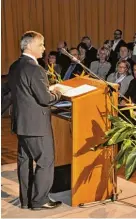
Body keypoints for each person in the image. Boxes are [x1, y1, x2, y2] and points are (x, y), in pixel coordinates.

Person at [7, 31, 63, 210]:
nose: (44, 48)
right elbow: (45, 99)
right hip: (37, 126)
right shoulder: (35, 69)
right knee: (45, 161)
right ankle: (40, 200)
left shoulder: (15, 66)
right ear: (30, 46)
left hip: (21, 123)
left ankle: (26, 200)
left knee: (24, 162)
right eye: (41, 45)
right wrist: (57, 93)